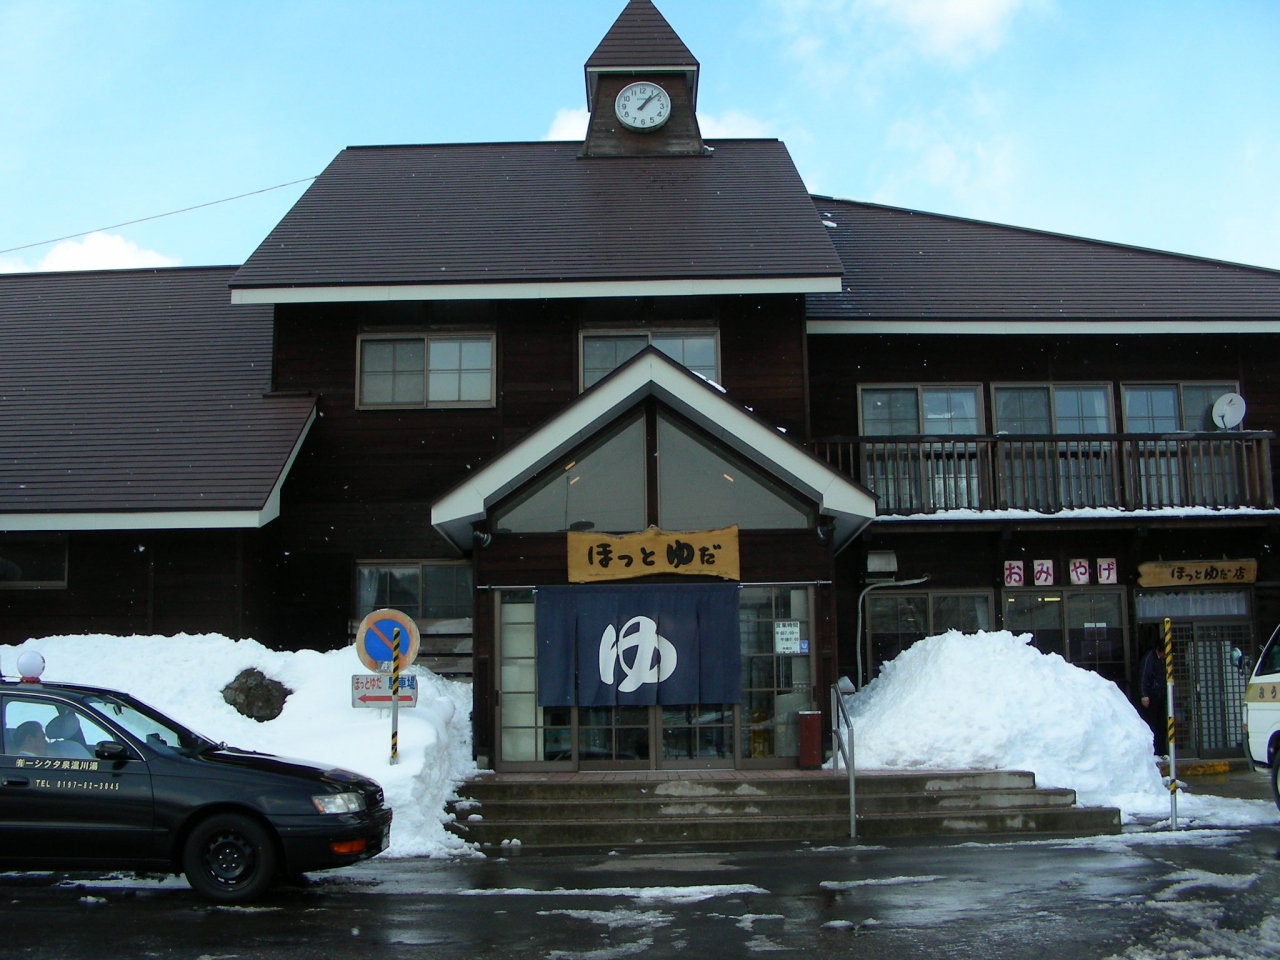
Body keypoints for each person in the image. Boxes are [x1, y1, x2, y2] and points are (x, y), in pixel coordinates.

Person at [1138, 643, 1168, 756]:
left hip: (1160, 694)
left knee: (1162, 725)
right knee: (1152, 724)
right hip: (1152, 695)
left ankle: (1162, 751)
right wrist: (1144, 695)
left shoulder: (1161, 661)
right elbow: (1144, 677)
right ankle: (1154, 751)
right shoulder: (1149, 659)